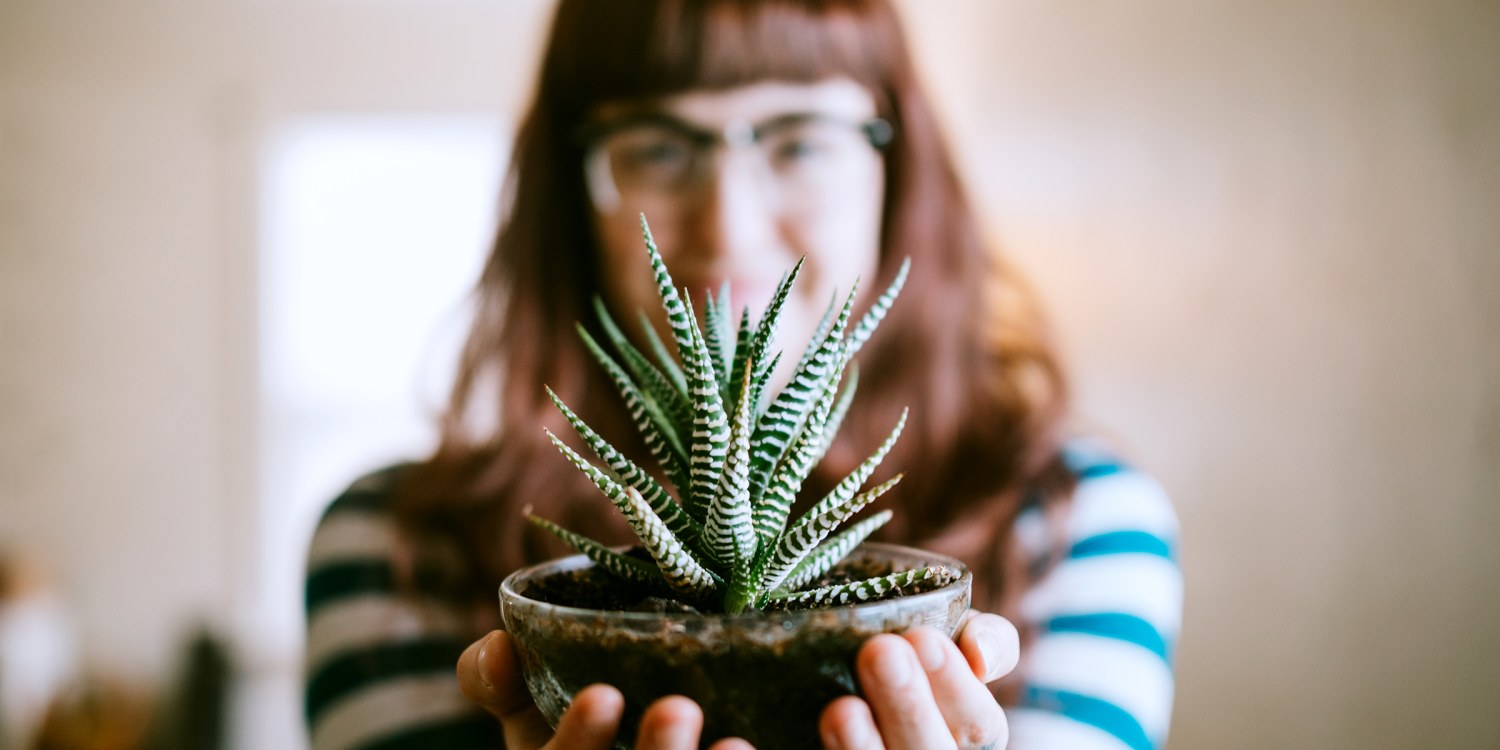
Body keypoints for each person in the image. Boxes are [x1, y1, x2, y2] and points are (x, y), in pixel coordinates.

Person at [303, 0, 1182, 748]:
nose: (728, 224)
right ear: (568, 194)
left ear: (897, 169)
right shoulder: (391, 547)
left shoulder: (1081, 520)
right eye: (656, 145)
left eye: (800, 141)